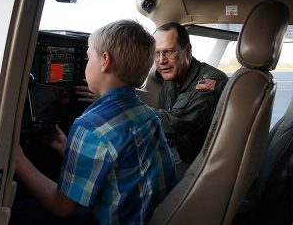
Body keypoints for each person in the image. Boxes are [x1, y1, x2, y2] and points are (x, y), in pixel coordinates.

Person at [12, 20, 178, 225]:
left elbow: (62, 206)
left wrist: (18, 160)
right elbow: (116, 163)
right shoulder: (147, 114)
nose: (86, 62)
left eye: (88, 56)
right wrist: (66, 146)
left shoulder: (90, 127)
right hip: (152, 217)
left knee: (20, 210)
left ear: (105, 60)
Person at [153, 22, 228, 164]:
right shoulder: (171, 79)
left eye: (169, 52)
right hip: (178, 156)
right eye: (157, 53)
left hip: (202, 165)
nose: (161, 60)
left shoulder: (211, 81)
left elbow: (176, 123)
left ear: (187, 51)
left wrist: (129, 108)